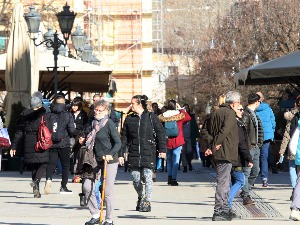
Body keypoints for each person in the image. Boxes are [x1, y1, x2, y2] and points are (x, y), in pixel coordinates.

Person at [121, 95, 166, 212]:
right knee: (136, 179)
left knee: (148, 177)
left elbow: (160, 133)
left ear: (139, 104)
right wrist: (121, 153)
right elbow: (124, 137)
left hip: (148, 151)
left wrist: (162, 150)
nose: (131, 106)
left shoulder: (151, 117)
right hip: (134, 153)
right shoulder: (129, 119)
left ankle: (147, 202)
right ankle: (141, 196)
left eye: (133, 104)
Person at [80, 99, 121, 225]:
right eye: (95, 110)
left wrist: (111, 154)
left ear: (106, 112)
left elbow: (118, 142)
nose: (96, 112)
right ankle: (95, 214)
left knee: (107, 191)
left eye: (99, 110)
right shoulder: (92, 123)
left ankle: (109, 219)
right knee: (87, 186)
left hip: (109, 160)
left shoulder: (109, 124)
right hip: (94, 159)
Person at [204, 91, 240, 221]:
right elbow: (225, 131)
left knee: (225, 181)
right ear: (234, 103)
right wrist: (215, 144)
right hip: (225, 151)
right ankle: (219, 210)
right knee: (223, 183)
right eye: (238, 102)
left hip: (220, 151)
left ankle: (224, 209)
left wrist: (211, 144)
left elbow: (207, 131)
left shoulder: (215, 112)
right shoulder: (230, 113)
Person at [10, 97, 49, 198]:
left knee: (34, 166)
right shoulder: (43, 114)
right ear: (40, 105)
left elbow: (19, 132)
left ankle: (36, 190)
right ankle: (36, 181)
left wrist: (13, 146)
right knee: (43, 163)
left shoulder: (23, 115)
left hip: (28, 142)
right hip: (40, 141)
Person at [44, 95, 75, 194]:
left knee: (51, 164)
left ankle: (48, 179)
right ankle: (63, 187)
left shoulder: (48, 114)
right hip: (64, 143)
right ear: (64, 104)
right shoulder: (68, 115)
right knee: (65, 165)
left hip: (51, 143)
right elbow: (71, 130)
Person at [228, 105, 253, 215]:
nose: (242, 111)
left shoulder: (230, 123)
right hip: (236, 158)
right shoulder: (237, 125)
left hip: (229, 157)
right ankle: (226, 203)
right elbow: (242, 144)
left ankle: (228, 207)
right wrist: (249, 158)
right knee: (240, 180)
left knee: (231, 181)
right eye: (240, 109)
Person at [158, 100, 191, 185]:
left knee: (169, 160)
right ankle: (174, 179)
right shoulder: (179, 115)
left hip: (167, 140)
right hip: (178, 140)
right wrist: (181, 109)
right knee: (176, 159)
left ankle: (169, 177)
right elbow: (188, 117)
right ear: (176, 106)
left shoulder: (163, 116)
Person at [240, 93, 264, 205]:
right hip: (249, 147)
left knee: (256, 171)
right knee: (247, 171)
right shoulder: (246, 114)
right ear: (257, 101)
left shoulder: (253, 114)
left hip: (255, 146)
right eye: (260, 101)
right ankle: (246, 195)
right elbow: (243, 132)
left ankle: (245, 190)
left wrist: (259, 144)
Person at [279, 96, 300, 200]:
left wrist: (282, 151)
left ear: (295, 104)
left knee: (292, 167)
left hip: (293, 146)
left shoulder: (291, 116)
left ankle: (295, 188)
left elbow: (287, 135)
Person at [256, 91, 277, 187]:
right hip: (267, 136)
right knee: (264, 157)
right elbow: (273, 122)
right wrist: (271, 131)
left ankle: (252, 178)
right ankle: (264, 179)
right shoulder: (268, 109)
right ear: (262, 99)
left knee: (255, 157)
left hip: (255, 136)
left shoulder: (253, 109)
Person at [181, 103, 199, 172]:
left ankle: (189, 163)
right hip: (182, 137)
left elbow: (195, 127)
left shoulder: (191, 117)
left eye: (187, 108)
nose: (186, 109)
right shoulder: (180, 116)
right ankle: (185, 166)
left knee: (189, 151)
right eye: (184, 108)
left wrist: (197, 136)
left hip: (190, 138)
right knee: (183, 152)